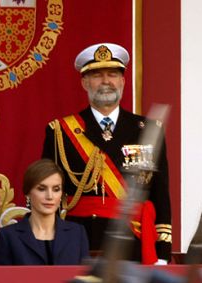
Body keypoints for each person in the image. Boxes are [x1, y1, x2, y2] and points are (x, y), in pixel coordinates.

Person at [41, 43, 172, 264]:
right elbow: (47, 193)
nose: (106, 81)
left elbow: (160, 196)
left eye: (112, 74)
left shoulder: (149, 130)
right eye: (97, 75)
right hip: (80, 241)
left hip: (134, 244)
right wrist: (50, 247)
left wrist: (162, 252)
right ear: (84, 83)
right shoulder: (60, 132)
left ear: (123, 81)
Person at [0, 159, 89, 265]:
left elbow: (85, 274)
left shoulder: (77, 233)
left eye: (56, 189)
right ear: (28, 193)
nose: (50, 196)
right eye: (41, 189)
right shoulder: (8, 236)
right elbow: (4, 276)